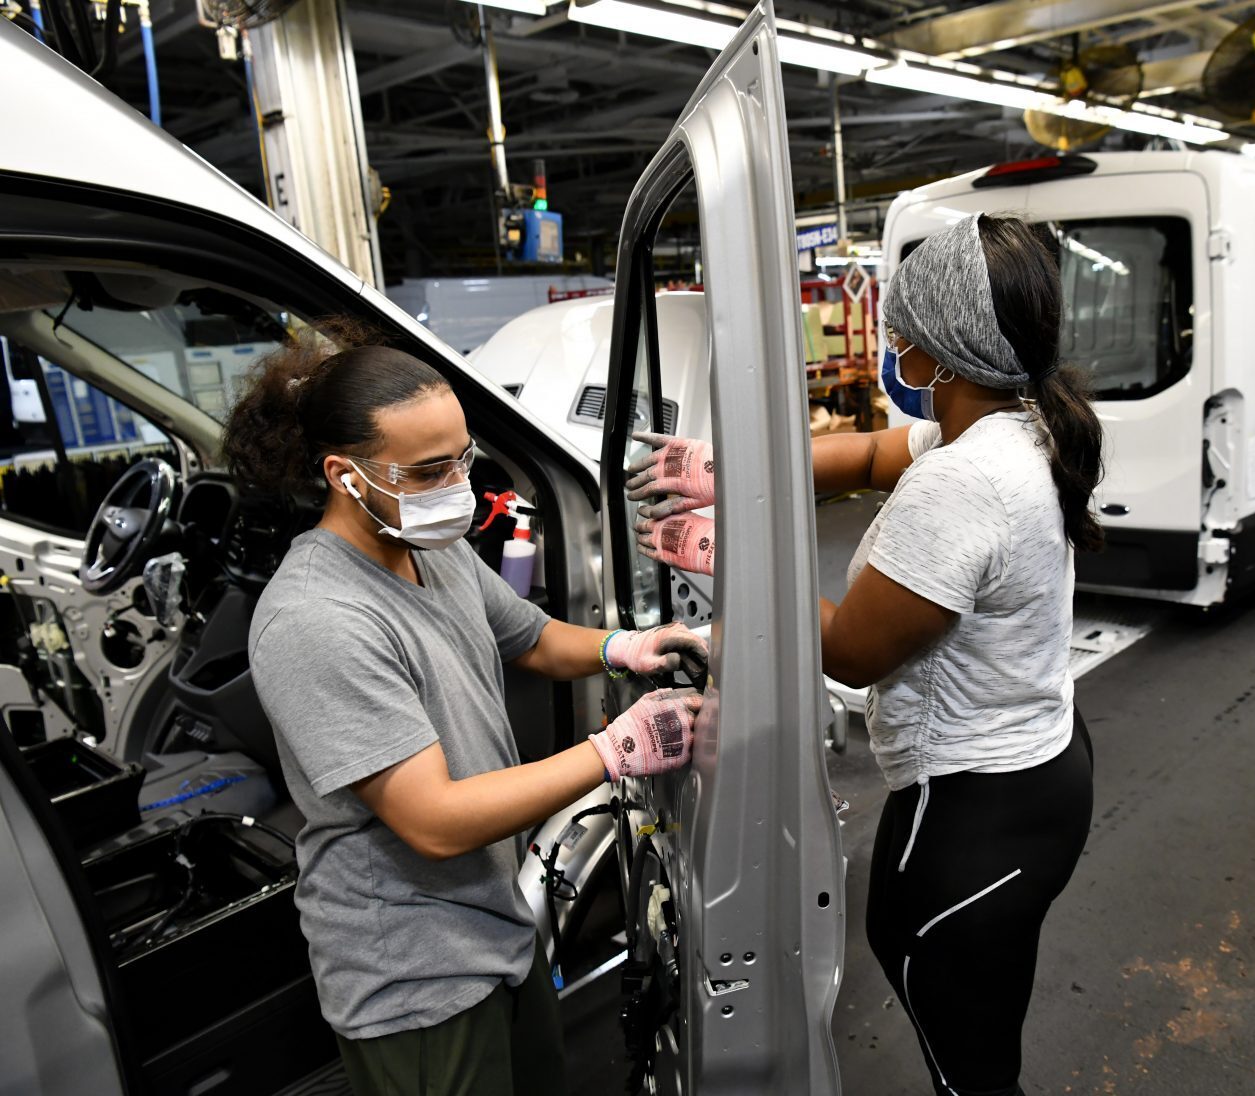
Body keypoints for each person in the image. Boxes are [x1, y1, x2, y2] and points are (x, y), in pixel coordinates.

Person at [626, 213, 1101, 1096]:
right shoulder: (1012, 423)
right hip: (1041, 771)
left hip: (974, 810)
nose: (892, 350)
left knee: (968, 1060)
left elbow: (849, 651)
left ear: (941, 358)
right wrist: (733, 469)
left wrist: (724, 552)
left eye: (901, 337)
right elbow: (875, 450)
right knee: (983, 1035)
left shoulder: (964, 483)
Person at [224, 325, 704, 1096]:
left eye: (463, 458)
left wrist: (627, 645)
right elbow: (435, 820)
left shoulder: (430, 547)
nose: (459, 486)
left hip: (496, 930)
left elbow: (533, 638)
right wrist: (615, 750)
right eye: (428, 469)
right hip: (414, 975)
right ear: (344, 476)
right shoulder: (317, 617)